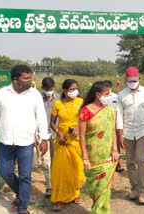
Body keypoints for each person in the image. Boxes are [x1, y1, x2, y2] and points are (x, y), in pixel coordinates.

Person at [0, 65, 49, 214]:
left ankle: (23, 208)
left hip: (26, 142)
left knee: (25, 175)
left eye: (30, 78)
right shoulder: (2, 93)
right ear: (15, 79)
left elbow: (41, 118)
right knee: (5, 172)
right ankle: (21, 194)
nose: (29, 81)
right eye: (26, 78)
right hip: (6, 141)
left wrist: (43, 139)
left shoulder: (34, 95)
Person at [79, 81, 119, 214]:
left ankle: (100, 211)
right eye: (107, 94)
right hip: (92, 156)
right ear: (97, 94)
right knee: (95, 187)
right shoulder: (86, 111)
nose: (109, 96)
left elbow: (112, 130)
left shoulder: (110, 110)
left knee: (105, 187)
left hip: (107, 154)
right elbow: (82, 136)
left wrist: (114, 149)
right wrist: (85, 158)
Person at [117, 67, 144, 204]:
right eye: (129, 80)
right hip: (127, 132)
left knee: (141, 159)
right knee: (130, 161)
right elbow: (119, 115)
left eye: (134, 80)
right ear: (126, 80)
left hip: (143, 131)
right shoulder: (122, 95)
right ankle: (134, 189)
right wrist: (120, 134)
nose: (132, 82)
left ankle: (143, 191)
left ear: (139, 79)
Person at [49, 79, 84, 211]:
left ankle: (75, 194)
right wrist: (59, 133)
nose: (75, 91)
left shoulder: (80, 102)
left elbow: (85, 120)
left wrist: (78, 128)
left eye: (76, 88)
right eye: (71, 89)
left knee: (75, 167)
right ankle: (60, 198)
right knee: (61, 170)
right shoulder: (57, 104)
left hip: (75, 140)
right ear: (64, 91)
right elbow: (52, 123)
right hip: (62, 140)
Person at [32, 77, 61, 196]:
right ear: (42, 88)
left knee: (56, 160)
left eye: (51, 88)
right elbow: (33, 117)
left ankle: (57, 183)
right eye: (47, 89)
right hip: (42, 134)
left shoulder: (59, 98)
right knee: (45, 161)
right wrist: (34, 134)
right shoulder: (37, 99)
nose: (49, 90)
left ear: (54, 87)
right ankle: (49, 186)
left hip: (56, 133)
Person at [104, 80, 124, 173]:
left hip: (114, 123)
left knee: (115, 144)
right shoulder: (100, 97)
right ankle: (105, 163)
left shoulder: (116, 97)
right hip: (103, 124)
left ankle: (117, 164)